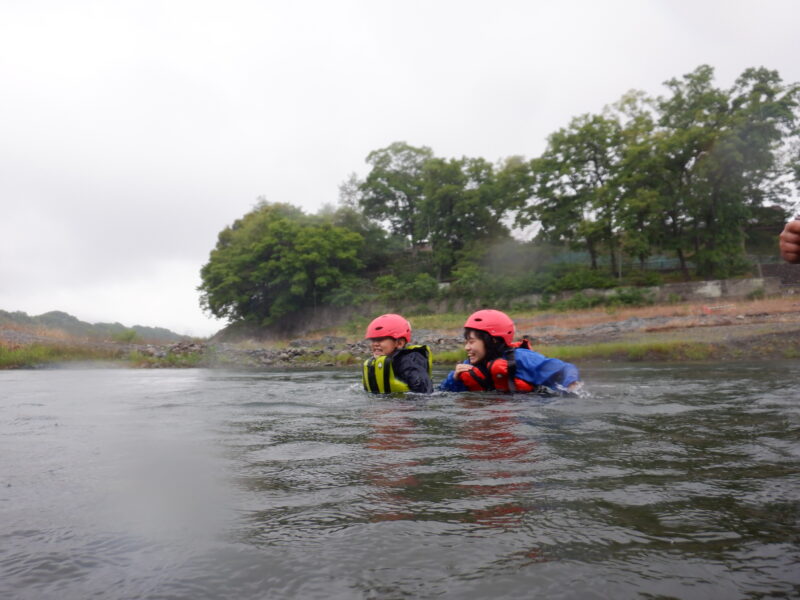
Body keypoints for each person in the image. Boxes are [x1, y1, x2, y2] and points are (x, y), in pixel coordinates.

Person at [439, 309, 581, 394]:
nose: (467, 348)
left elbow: (564, 369)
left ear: (492, 341)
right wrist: (454, 379)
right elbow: (444, 392)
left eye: (471, 342)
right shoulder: (470, 365)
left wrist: (571, 385)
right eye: (466, 343)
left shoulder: (521, 358)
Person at [362, 314, 434, 394]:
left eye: (380, 339)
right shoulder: (378, 363)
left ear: (399, 343)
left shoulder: (408, 361)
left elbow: (424, 390)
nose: (375, 344)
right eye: (373, 340)